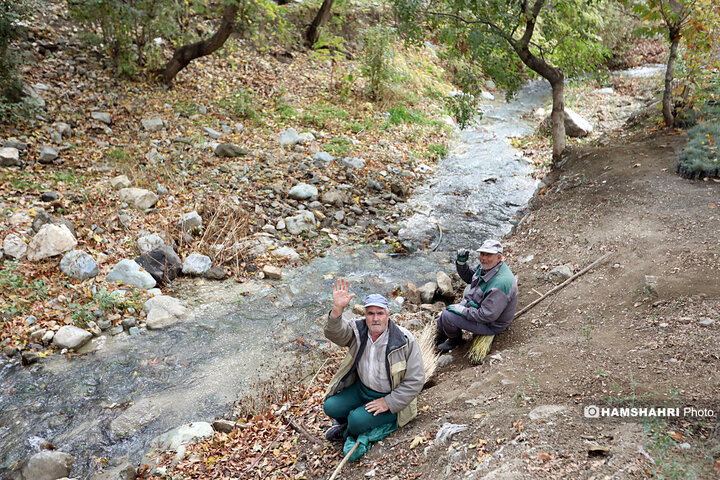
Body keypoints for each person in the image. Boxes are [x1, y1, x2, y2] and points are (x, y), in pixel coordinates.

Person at [322, 279, 425, 442]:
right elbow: (335, 334)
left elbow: (416, 380)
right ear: (365, 315)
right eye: (370, 314)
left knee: (356, 421)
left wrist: (389, 402)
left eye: (380, 313)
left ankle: (349, 428)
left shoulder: (405, 340)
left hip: (389, 396)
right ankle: (351, 420)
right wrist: (337, 309)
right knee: (330, 406)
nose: (375, 318)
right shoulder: (358, 330)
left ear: (388, 315)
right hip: (361, 389)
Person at [436, 239, 518, 352]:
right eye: (482, 254)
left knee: (448, 315)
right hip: (478, 306)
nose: (483, 258)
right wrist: (461, 264)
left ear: (499, 257)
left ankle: (455, 341)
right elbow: (469, 276)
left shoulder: (500, 284)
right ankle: (440, 336)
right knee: (442, 317)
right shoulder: (487, 266)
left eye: (488, 255)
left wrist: (463, 311)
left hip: (491, 324)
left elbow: (486, 316)